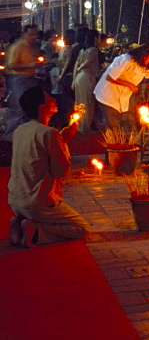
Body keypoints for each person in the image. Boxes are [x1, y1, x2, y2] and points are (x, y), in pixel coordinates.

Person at [7, 85, 88, 248]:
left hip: (16, 200)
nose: (54, 99)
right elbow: (60, 171)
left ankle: (19, 222)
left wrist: (62, 139)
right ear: (42, 107)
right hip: (38, 203)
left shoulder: (20, 130)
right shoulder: (49, 133)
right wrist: (64, 142)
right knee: (81, 228)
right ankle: (36, 230)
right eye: (48, 97)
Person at [95, 43, 149, 131]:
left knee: (120, 124)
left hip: (122, 97)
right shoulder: (126, 60)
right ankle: (113, 143)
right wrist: (130, 85)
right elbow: (110, 77)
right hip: (108, 95)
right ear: (144, 55)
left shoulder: (146, 66)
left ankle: (120, 142)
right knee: (113, 125)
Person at [2, 25, 41, 135]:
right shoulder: (18, 47)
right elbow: (11, 65)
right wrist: (30, 65)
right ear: (24, 34)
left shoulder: (31, 47)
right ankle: (13, 136)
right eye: (30, 34)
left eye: (35, 34)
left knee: (29, 109)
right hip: (19, 80)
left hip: (29, 79)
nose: (33, 37)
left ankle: (26, 134)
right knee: (20, 108)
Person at [72, 29, 101, 133]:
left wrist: (74, 80)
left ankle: (79, 126)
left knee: (80, 103)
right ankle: (85, 128)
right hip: (87, 78)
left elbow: (76, 65)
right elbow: (86, 63)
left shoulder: (82, 50)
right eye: (98, 37)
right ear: (94, 38)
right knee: (88, 103)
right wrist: (81, 68)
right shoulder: (93, 50)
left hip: (79, 78)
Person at [51, 29, 77, 126]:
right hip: (67, 76)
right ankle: (67, 122)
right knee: (69, 101)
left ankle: (62, 122)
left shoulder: (61, 49)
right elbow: (67, 63)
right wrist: (61, 76)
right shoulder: (69, 49)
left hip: (62, 75)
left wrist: (59, 75)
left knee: (63, 98)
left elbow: (59, 63)